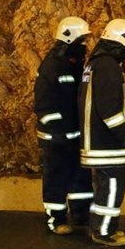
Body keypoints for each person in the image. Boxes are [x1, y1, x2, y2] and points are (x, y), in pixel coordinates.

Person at [78, 18, 125, 246]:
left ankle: (98, 226)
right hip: (106, 143)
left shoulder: (93, 64)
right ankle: (104, 231)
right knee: (113, 185)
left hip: (93, 139)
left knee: (104, 186)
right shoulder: (108, 67)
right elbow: (109, 110)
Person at [34, 15, 94, 235]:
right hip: (56, 137)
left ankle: (81, 214)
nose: (85, 45)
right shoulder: (52, 66)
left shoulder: (75, 65)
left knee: (80, 177)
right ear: (69, 39)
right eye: (81, 40)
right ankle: (56, 219)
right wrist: (57, 130)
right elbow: (43, 103)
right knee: (56, 178)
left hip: (74, 135)